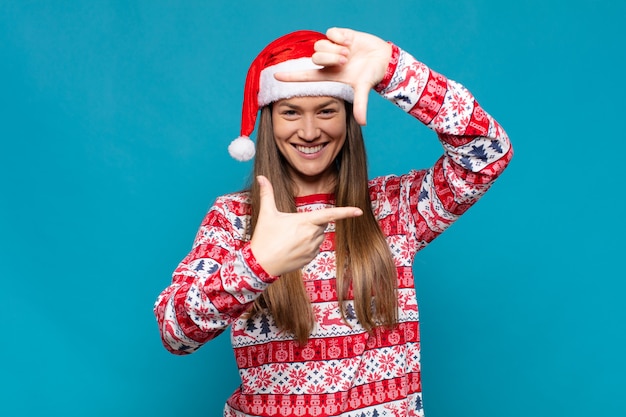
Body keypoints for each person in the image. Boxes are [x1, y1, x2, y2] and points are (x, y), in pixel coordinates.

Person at [154, 27, 513, 417]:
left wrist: (395, 70)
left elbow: (487, 154)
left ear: (347, 114)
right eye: (291, 112)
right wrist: (255, 265)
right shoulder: (235, 218)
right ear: (269, 120)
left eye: (326, 110)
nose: (309, 132)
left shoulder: (394, 208)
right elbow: (175, 332)